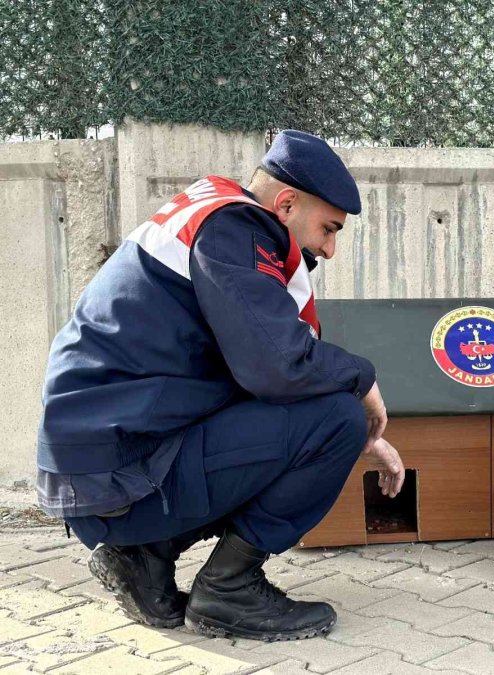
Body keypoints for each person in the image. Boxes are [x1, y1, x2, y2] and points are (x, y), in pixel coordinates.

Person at [35, 130, 406, 641]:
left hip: (105, 474)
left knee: (327, 417)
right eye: (328, 228)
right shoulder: (236, 228)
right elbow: (279, 368)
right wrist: (363, 384)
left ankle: (143, 559)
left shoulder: (210, 214)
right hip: (119, 479)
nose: (330, 249)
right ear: (287, 203)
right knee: (337, 422)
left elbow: (255, 367)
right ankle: (228, 590)